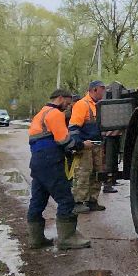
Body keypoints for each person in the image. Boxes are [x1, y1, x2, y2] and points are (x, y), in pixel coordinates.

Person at [28, 88, 90, 251]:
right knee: (66, 199)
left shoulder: (41, 113)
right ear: (60, 98)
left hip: (37, 161)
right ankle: (67, 238)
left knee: (38, 200)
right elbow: (64, 140)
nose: (68, 106)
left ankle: (36, 239)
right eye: (68, 103)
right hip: (50, 161)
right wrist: (82, 145)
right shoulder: (55, 114)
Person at [68, 81, 107, 212]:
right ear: (94, 90)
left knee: (98, 173)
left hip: (98, 145)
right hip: (86, 145)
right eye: (102, 89)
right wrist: (79, 144)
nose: (104, 92)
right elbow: (74, 127)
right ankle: (78, 202)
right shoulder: (82, 105)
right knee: (83, 172)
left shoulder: (99, 105)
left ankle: (92, 200)